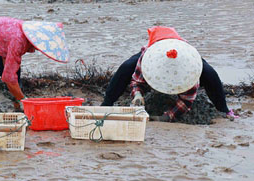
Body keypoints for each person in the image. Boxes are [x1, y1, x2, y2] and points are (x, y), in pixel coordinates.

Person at [101, 26, 237, 121]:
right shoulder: (148, 58)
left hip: (181, 52)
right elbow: (137, 81)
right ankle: (106, 104)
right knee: (126, 67)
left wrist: (167, 117)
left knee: (210, 73)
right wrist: (137, 94)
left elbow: (187, 99)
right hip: (159, 46)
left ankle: (224, 109)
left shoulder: (191, 68)